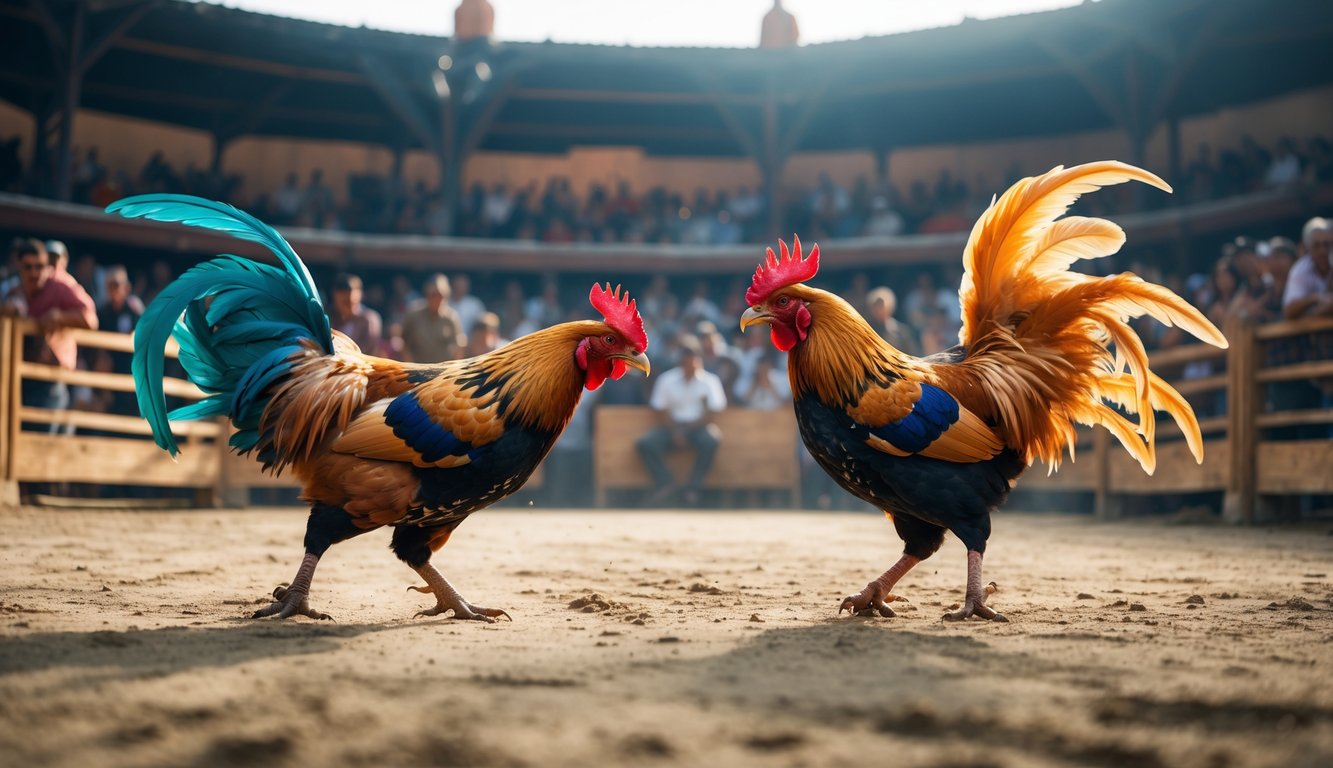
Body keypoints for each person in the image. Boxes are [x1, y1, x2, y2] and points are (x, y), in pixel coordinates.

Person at [1, 238, 98, 421]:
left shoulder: (60, 287)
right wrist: (7, 313)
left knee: (42, 438)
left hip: (52, 379)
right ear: (19, 267)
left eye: (39, 266)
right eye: (28, 267)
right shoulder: (14, 293)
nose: (34, 272)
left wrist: (60, 317)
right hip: (19, 378)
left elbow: (91, 318)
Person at [635, 337, 727, 506]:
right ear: (680, 363)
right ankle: (665, 482)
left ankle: (694, 487)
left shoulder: (710, 382)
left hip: (698, 428)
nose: (690, 368)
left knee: (711, 439)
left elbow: (711, 414)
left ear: (699, 361)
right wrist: (676, 431)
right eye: (686, 364)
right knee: (645, 444)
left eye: (692, 363)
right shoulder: (666, 380)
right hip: (671, 427)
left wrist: (685, 430)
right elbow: (661, 411)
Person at [94, 265, 145, 417]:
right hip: (110, 370)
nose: (114, 289)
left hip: (132, 369)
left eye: (117, 284)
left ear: (126, 287)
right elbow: (97, 348)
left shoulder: (134, 309)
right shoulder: (102, 312)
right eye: (110, 285)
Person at [400, 273, 466, 362]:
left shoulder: (451, 317)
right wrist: (409, 365)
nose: (436, 299)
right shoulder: (414, 315)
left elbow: (460, 344)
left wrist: (454, 367)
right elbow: (403, 342)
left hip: (442, 370)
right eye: (432, 294)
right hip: (418, 369)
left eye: (440, 295)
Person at [1283, 217, 1333, 319]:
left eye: (1326, 244)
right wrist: (1315, 298)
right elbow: (1289, 311)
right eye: (1316, 245)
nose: (1322, 251)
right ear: (1307, 247)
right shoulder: (1300, 270)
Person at [328, 273, 383, 353]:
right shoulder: (329, 318)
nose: (348, 307)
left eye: (350, 303)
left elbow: (365, 351)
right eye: (344, 302)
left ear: (360, 295)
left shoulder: (369, 320)